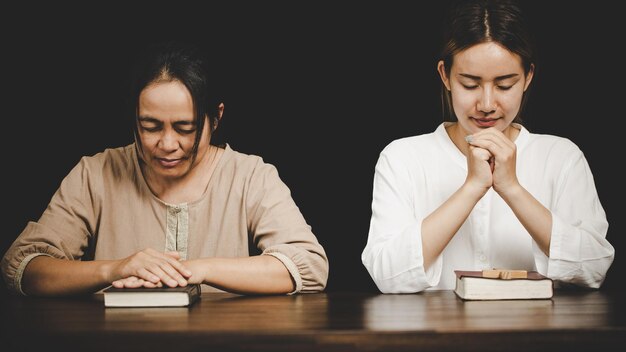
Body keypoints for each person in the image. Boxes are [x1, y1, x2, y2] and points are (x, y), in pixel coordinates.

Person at [1, 41, 328, 296]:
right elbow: (24, 268)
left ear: (217, 117)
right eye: (150, 126)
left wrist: (198, 269)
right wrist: (116, 269)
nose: (167, 144)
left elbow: (309, 267)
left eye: (185, 128)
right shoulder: (95, 173)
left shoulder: (251, 175)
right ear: (133, 116)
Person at [361, 0, 614, 293]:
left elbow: (594, 268)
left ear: (528, 77)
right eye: (470, 84)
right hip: (435, 336)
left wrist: (512, 189)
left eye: (505, 85)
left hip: (538, 336)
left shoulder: (561, 157)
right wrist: (472, 188)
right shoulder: (403, 158)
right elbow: (387, 275)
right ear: (445, 76)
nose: (487, 104)